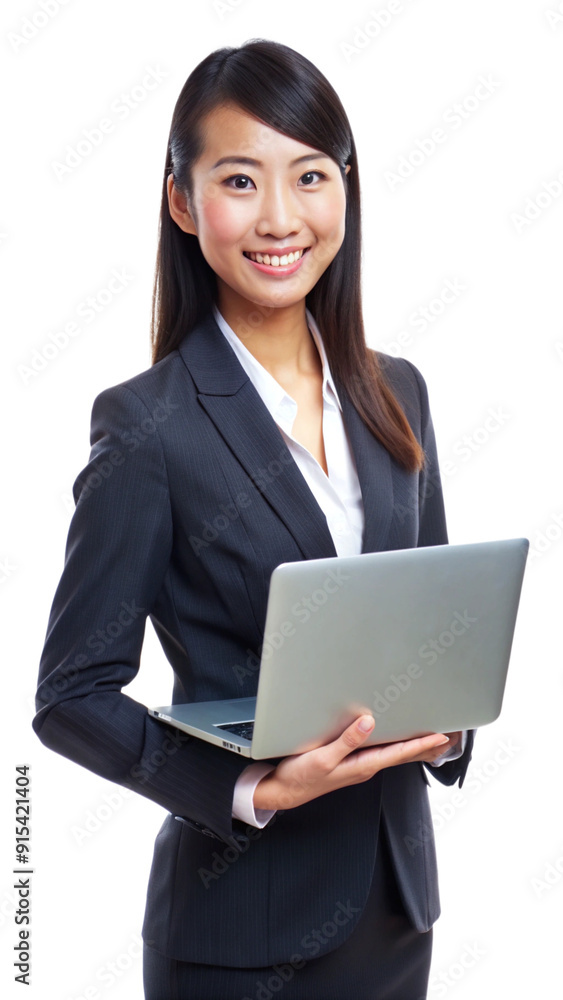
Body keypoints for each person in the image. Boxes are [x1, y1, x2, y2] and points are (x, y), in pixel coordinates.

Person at [33, 38, 474, 999]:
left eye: (309, 176)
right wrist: (248, 791)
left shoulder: (397, 393)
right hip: (239, 935)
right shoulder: (149, 427)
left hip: (396, 913)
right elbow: (70, 694)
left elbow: (436, 617)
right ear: (183, 203)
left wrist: (449, 716)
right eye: (240, 179)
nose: (280, 217)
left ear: (345, 191)